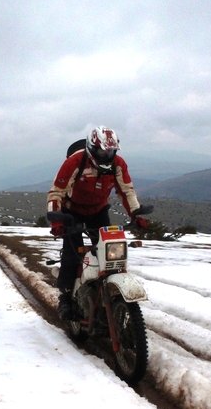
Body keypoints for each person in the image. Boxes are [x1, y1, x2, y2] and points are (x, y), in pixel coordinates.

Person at [47, 126, 149, 320]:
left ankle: (106, 293)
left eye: (111, 151)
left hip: (98, 211)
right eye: (103, 151)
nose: (106, 155)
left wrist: (137, 215)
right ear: (93, 148)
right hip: (72, 212)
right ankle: (66, 297)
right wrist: (57, 221)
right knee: (72, 254)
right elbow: (56, 192)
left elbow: (126, 190)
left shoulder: (117, 164)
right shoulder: (75, 162)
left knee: (107, 253)